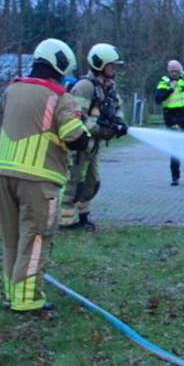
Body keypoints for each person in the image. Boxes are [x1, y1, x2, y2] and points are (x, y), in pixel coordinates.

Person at [0, 39, 91, 313]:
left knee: (11, 238)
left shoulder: (12, 89)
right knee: (36, 238)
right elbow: (74, 137)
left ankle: (13, 294)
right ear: (60, 65)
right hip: (39, 179)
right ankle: (28, 301)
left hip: (3, 175)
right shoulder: (60, 97)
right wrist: (86, 130)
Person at [61, 43, 127, 231]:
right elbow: (77, 114)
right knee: (75, 183)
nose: (114, 68)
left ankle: (83, 215)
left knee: (92, 184)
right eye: (111, 65)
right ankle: (67, 222)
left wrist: (119, 124)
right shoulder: (84, 86)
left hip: (94, 146)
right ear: (100, 64)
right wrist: (99, 129)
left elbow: (117, 107)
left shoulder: (109, 86)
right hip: (80, 144)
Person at [155, 59, 184, 186]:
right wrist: (170, 88)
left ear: (180, 69)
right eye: (172, 71)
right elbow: (158, 99)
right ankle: (175, 178)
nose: (174, 73)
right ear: (168, 70)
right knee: (175, 149)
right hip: (172, 118)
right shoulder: (164, 82)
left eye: (176, 70)